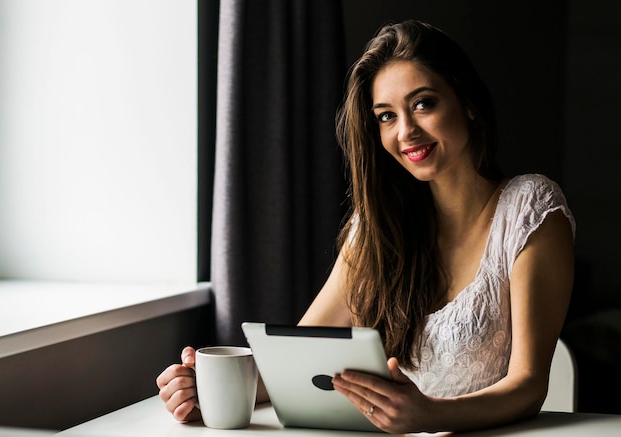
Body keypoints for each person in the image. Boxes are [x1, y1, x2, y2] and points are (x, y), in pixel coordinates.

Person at [156, 19, 575, 434]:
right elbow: (294, 363)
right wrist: (208, 387)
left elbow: (529, 385)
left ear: (466, 101)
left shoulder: (530, 210)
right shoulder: (377, 227)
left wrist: (429, 416)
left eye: (423, 103)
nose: (406, 131)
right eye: (386, 116)